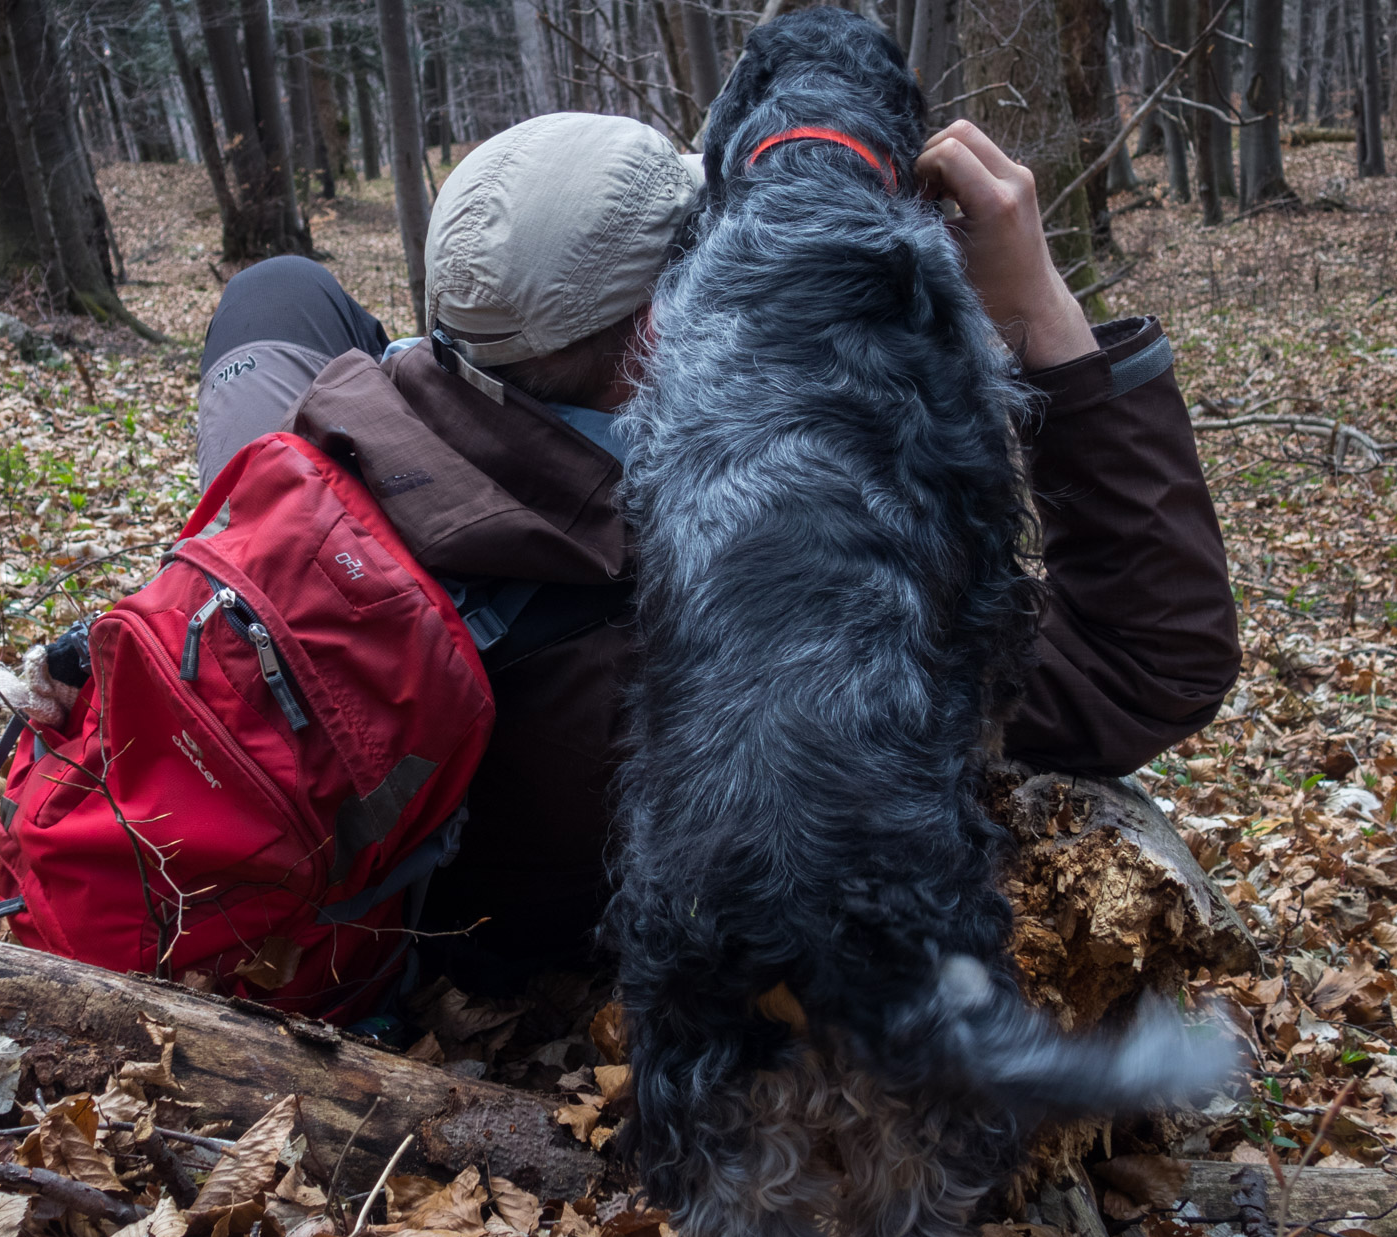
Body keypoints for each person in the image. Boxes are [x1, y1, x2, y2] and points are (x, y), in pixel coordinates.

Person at [192, 112, 1240, 988]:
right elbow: (1148, 659)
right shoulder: (724, 643)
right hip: (493, 967)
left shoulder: (312, 443)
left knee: (282, 283)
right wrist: (1041, 314)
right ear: (659, 335)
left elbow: (278, 292)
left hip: (367, 786)